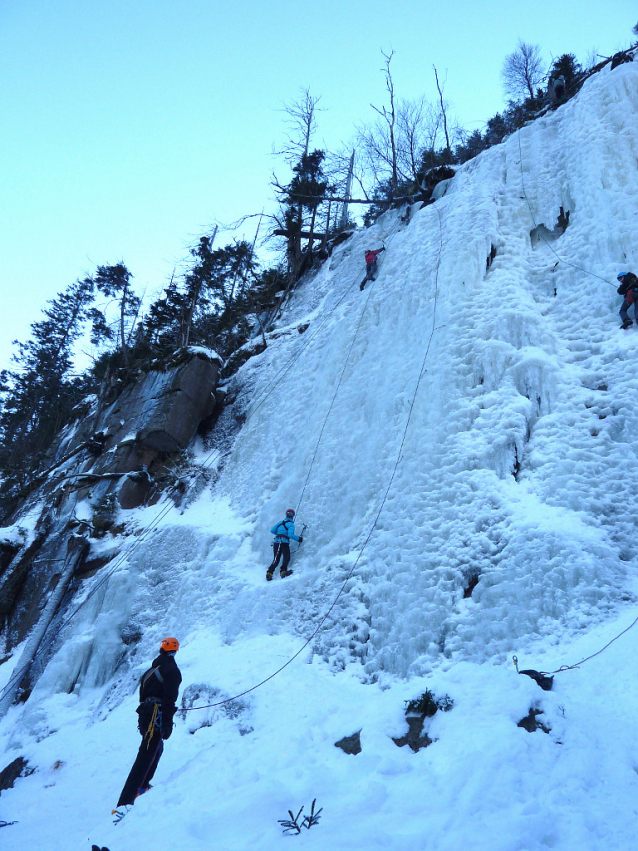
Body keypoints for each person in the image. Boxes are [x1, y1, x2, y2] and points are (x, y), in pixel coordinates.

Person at [114, 637, 182, 814]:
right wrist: (167, 721)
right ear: (175, 651)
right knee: (146, 754)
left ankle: (142, 786)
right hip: (156, 714)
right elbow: (169, 698)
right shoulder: (172, 670)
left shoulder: (151, 671)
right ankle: (125, 803)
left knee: (156, 748)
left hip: (145, 713)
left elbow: (142, 695)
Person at [267, 509, 302, 581]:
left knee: (276, 558)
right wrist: (299, 539)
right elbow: (290, 534)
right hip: (284, 543)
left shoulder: (280, 523)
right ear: (293, 516)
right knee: (287, 557)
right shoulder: (291, 525)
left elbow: (272, 530)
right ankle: (283, 571)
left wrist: (280, 534)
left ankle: (269, 573)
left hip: (276, 542)